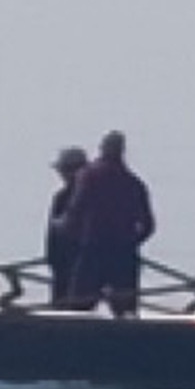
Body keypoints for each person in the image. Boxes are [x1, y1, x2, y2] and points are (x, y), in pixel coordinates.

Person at [65, 129, 155, 317]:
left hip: (93, 249)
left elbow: (75, 213)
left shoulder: (88, 176)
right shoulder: (134, 184)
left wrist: (71, 234)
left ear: (103, 149)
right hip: (123, 253)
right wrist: (131, 242)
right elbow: (148, 226)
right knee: (126, 311)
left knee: (78, 308)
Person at [42, 146, 91, 306]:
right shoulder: (61, 197)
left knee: (74, 302)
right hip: (64, 262)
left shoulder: (66, 197)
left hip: (74, 261)